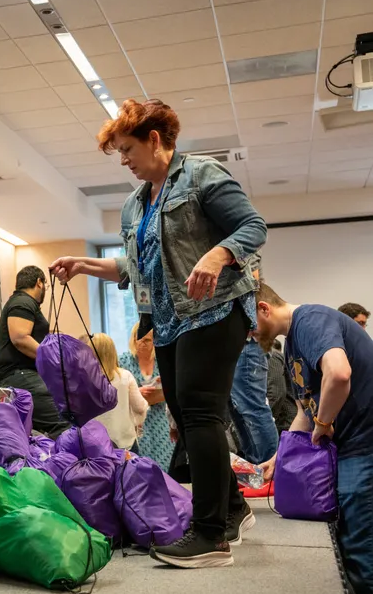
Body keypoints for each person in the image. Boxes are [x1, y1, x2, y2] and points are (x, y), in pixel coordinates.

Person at [50, 98, 267, 568]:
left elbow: (253, 226)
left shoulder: (201, 176)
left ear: (154, 140)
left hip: (214, 311)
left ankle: (210, 536)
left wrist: (218, 254)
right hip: (167, 323)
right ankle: (232, 509)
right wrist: (84, 263)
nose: (124, 161)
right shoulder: (134, 204)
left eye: (127, 149)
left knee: (201, 414)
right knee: (186, 420)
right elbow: (135, 265)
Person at [254, 281, 373, 594]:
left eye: (250, 325)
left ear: (264, 308)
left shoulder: (311, 319)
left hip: (364, 446)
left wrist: (324, 421)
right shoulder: (293, 343)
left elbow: (339, 374)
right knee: (351, 547)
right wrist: (281, 456)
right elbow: (305, 411)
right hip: (353, 447)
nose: (249, 334)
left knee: (361, 552)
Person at [0, 265, 69, 436]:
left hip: (10, 380)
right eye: (46, 286)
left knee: (23, 433)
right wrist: (53, 359)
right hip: (19, 377)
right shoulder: (23, 301)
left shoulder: (19, 302)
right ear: (39, 283)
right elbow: (20, 338)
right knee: (64, 424)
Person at [228, 258, 278, 465]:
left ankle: (270, 470)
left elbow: (251, 282)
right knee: (239, 409)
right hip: (236, 341)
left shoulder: (243, 246)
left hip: (247, 341)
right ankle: (259, 468)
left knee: (251, 408)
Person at [119, 324, 174, 471]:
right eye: (139, 339)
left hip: (160, 420)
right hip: (135, 423)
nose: (142, 343)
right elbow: (116, 392)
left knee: (164, 465)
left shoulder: (162, 362)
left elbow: (174, 387)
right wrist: (137, 392)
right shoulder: (123, 361)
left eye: (147, 340)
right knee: (139, 466)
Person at [87, 333, 147, 449]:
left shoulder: (83, 380)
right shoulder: (125, 376)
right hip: (125, 444)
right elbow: (140, 407)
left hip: (94, 446)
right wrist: (136, 422)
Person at [266, 339, 297, 435]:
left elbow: (277, 393)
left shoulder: (271, 356)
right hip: (282, 422)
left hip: (285, 423)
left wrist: (263, 421)